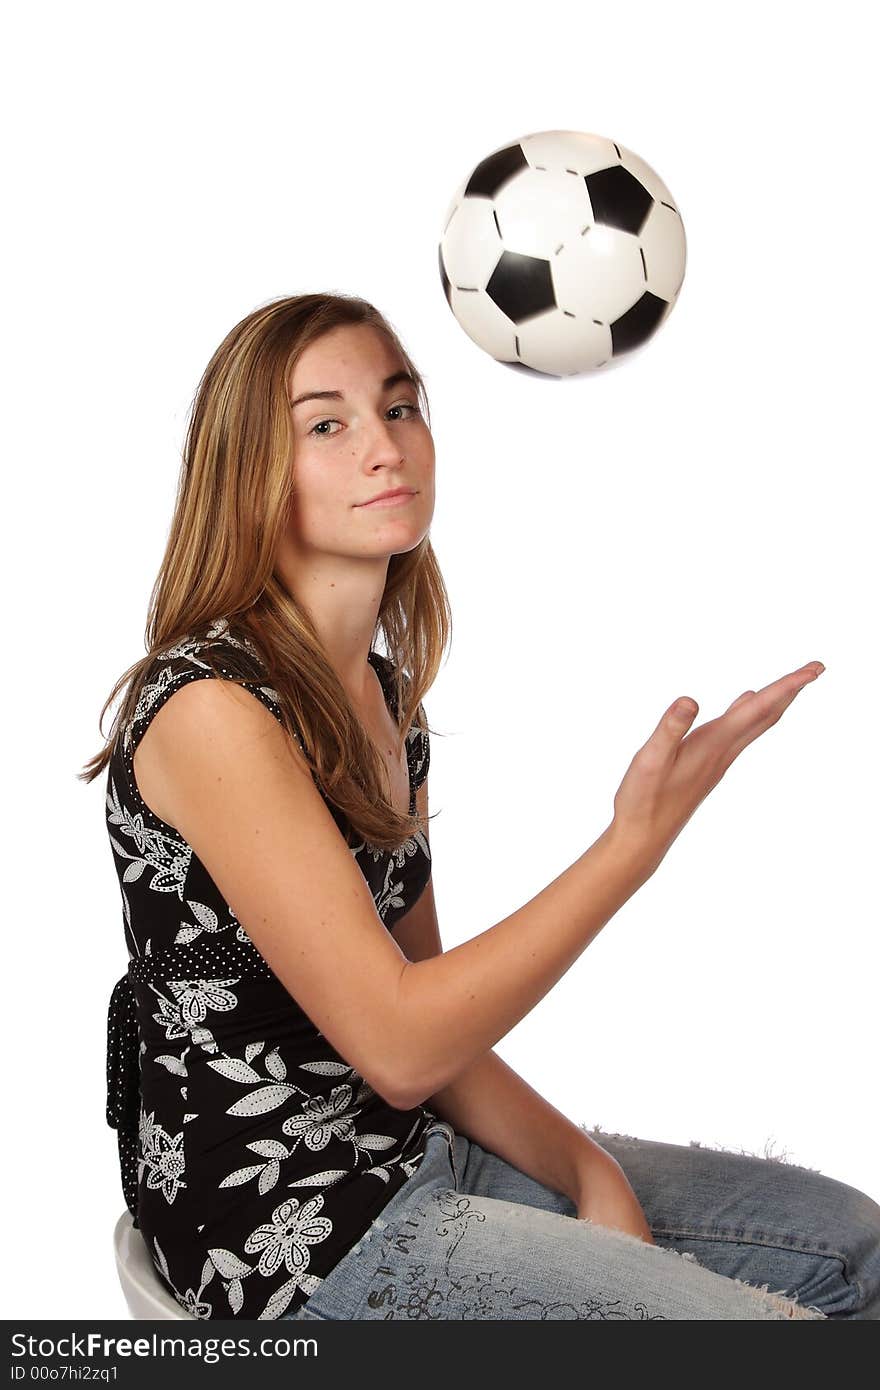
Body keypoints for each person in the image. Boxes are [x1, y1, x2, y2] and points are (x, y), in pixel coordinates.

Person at [84, 292, 880, 1320]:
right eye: (327, 424)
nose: (385, 448)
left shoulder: (380, 698)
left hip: (414, 1153)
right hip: (292, 1236)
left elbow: (431, 1010)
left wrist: (584, 1167)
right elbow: (401, 1040)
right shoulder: (212, 708)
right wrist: (629, 848)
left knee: (851, 1254)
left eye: (400, 408)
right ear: (250, 472)